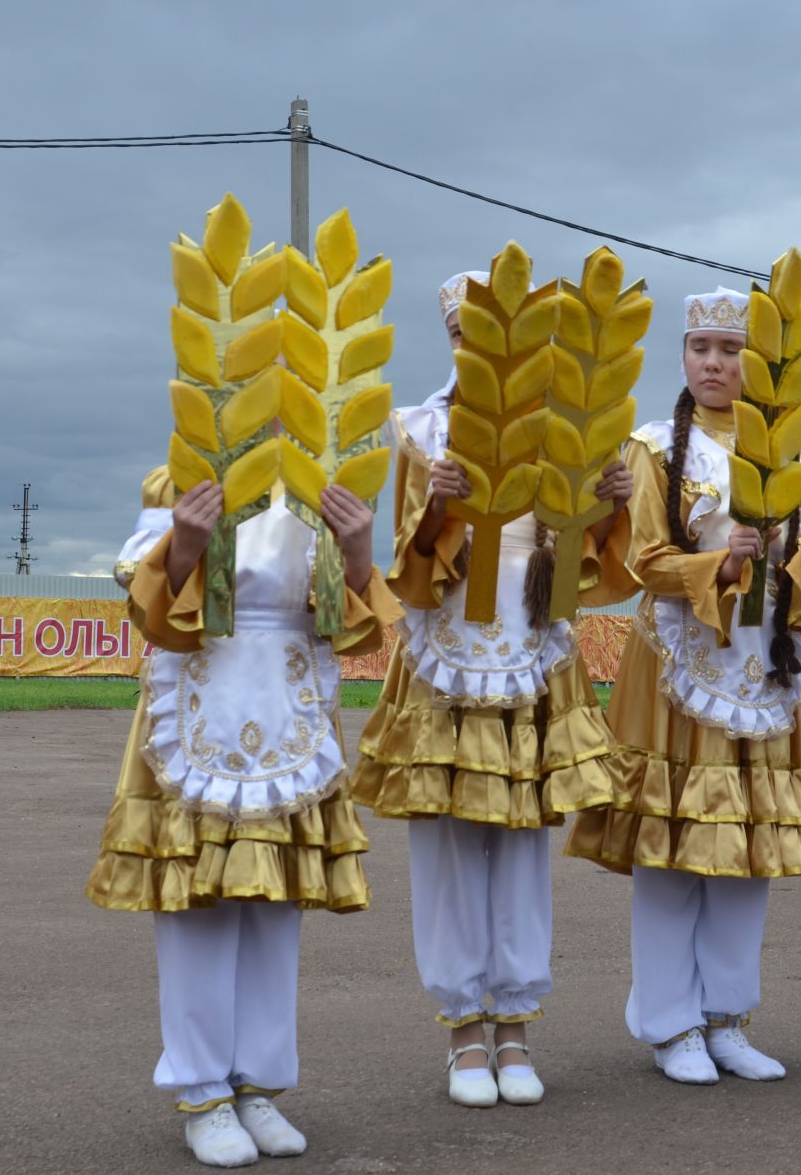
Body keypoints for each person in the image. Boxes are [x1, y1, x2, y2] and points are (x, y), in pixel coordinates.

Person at [564, 287, 801, 1084]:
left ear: (757, 364)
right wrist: (721, 562)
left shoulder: (795, 453)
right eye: (701, 349)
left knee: (750, 847)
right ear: (684, 357)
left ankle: (727, 1018)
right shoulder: (653, 447)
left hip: (764, 669)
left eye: (731, 352)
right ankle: (669, 1022)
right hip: (678, 671)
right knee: (673, 845)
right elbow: (642, 564)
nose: (715, 364)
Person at [352, 271, 633, 1108]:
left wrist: (610, 507)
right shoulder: (417, 429)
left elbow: (583, 569)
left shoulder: (567, 435)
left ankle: (515, 1024)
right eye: (464, 337)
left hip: (531, 654)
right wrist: (433, 510)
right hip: (444, 656)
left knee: (521, 844)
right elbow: (404, 573)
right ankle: (462, 1032)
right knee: (445, 848)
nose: (480, 352)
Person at [86, 466, 399, 1167]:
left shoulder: (330, 477)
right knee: (198, 902)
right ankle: (200, 1088)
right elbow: (142, 601)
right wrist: (185, 543)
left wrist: (355, 554)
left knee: (273, 906)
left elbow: (356, 634)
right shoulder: (184, 469)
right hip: (201, 693)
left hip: (287, 699)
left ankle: (258, 1084)